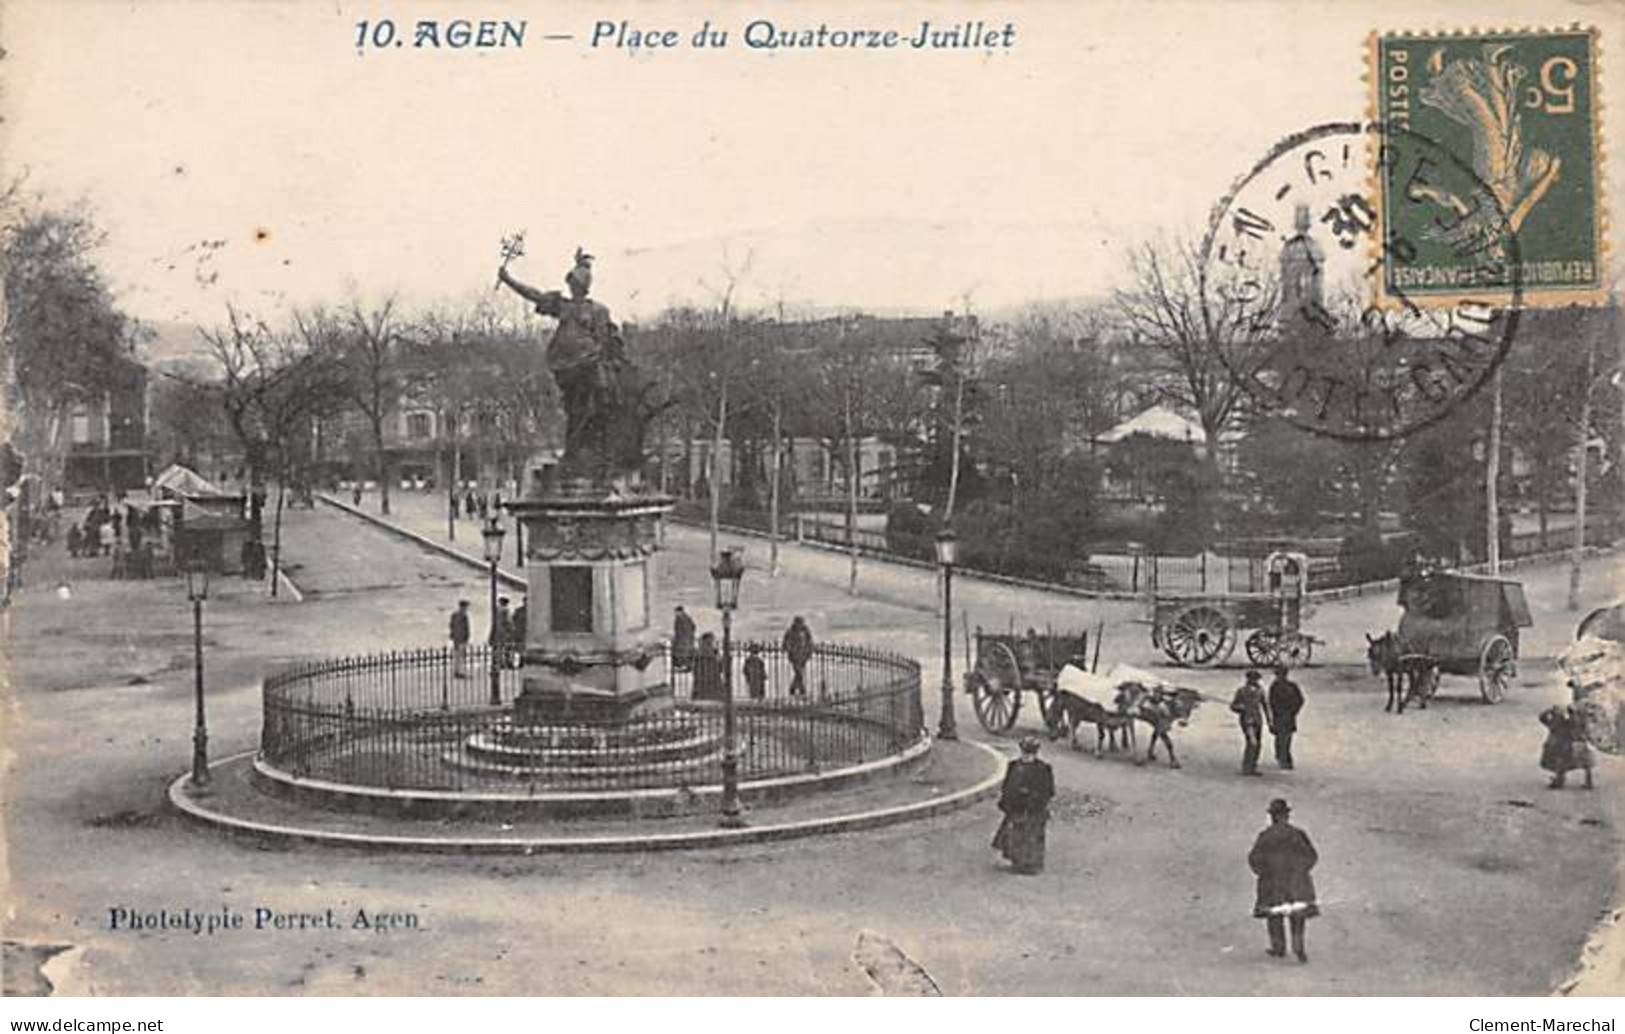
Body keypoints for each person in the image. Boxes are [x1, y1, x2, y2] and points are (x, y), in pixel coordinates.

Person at [1248, 798, 1319, 962]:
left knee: (1274, 915)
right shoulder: (1298, 834)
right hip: (1296, 883)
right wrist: (1301, 871)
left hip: (1273, 883)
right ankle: (1299, 948)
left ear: (1272, 817)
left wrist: (1263, 873)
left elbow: (1254, 858)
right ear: (1287, 816)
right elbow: (1311, 856)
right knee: (1297, 916)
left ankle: (1278, 947)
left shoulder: (1266, 836)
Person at [992, 736, 1055, 875]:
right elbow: (1007, 786)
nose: (1026, 756)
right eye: (1025, 753)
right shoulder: (1014, 766)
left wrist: (1035, 800)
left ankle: (1030, 865)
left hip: (1033, 809)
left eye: (1029, 754)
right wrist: (1006, 801)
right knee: (1014, 835)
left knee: (1030, 837)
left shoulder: (1043, 769)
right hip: (1016, 807)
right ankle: (1016, 861)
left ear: (1035, 753)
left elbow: (1048, 790)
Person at [1540, 704, 1595, 790]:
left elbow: (1542, 718)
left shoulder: (1558, 722)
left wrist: (1550, 711)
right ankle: (1588, 782)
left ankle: (1559, 781)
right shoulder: (1567, 721)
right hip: (1565, 743)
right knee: (1584, 763)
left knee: (1561, 762)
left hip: (1560, 744)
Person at [1230, 669, 1271, 775]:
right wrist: (1240, 707)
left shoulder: (1260, 691)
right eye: (1252, 679)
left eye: (1256, 679)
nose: (1254, 681)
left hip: (1257, 719)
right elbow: (1233, 706)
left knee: (1257, 744)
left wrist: (1269, 720)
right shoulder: (1241, 691)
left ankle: (1252, 766)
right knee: (1252, 743)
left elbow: (1266, 706)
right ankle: (1247, 766)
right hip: (1246, 720)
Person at [1268, 664, 1305, 770]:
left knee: (1286, 739)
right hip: (1282, 716)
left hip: (1287, 716)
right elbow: (1271, 702)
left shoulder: (1290, 686)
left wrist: (1294, 711)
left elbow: (1300, 700)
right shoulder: (1276, 686)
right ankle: (1283, 758)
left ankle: (1283, 758)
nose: (1280, 677)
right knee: (1282, 738)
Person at [783, 615, 814, 698]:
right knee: (798, 672)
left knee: (799, 672)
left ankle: (794, 687)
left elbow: (810, 642)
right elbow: (785, 643)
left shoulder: (806, 631)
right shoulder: (790, 632)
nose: (800, 624)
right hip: (794, 655)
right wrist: (789, 650)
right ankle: (802, 690)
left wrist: (809, 652)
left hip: (803, 655)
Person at [692, 632, 724, 702]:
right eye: (708, 643)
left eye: (711, 643)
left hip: (715, 686)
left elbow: (721, 669)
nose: (710, 646)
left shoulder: (716, 654)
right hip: (703, 686)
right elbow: (696, 672)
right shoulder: (699, 657)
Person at [449, 600, 472, 678]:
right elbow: (466, 628)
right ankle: (460, 671)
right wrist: (467, 636)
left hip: (456, 637)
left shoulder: (454, 615)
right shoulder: (464, 616)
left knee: (456, 655)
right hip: (462, 638)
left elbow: (451, 625)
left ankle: (456, 670)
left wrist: (452, 634)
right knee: (461, 655)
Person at [671, 605, 696, 673]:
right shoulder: (685, 618)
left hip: (683, 640)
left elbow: (690, 627)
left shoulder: (682, 618)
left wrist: (685, 635)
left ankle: (684, 666)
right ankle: (683, 665)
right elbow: (693, 627)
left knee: (683, 652)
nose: (675, 613)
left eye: (676, 612)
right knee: (683, 652)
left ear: (680, 611)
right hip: (685, 639)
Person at [490, 596, 512, 664]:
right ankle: (505, 661)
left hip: (497, 631)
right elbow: (508, 621)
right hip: (504, 631)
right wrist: (510, 629)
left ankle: (497, 660)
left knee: (498, 647)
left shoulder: (497, 610)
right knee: (506, 646)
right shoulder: (506, 610)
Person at [508, 600, 527, 668]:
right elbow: (513, 619)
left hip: (525, 632)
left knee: (522, 648)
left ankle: (522, 661)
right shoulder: (519, 610)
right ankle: (511, 662)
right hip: (518, 632)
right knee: (515, 647)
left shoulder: (530, 611)